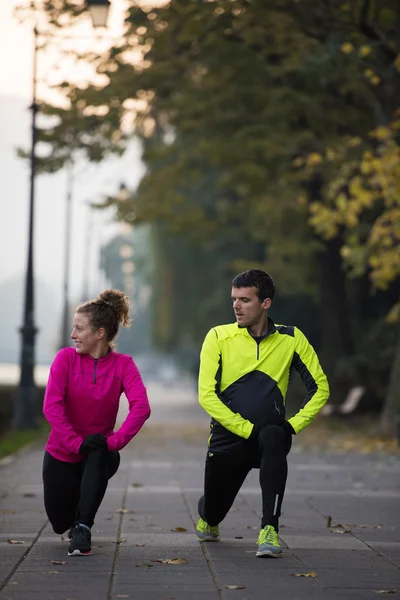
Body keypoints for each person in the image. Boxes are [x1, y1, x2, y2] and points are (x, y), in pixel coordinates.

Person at [196, 270, 329, 557]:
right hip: (226, 439)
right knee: (213, 513)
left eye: (245, 300)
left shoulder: (291, 339)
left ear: (265, 303)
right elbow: (206, 394)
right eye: (234, 299)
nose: (236, 306)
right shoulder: (218, 336)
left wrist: (292, 426)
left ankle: (269, 529)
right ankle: (207, 515)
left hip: (266, 438)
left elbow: (320, 388)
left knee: (273, 433)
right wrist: (245, 429)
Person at [42, 289, 151, 557]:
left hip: (99, 453)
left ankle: (83, 527)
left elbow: (142, 407)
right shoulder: (65, 359)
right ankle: (74, 520)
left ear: (99, 333)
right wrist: (76, 443)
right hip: (62, 454)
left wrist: (113, 442)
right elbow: (51, 406)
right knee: (58, 523)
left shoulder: (124, 365)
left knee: (98, 454)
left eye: (79, 329)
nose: (73, 335)